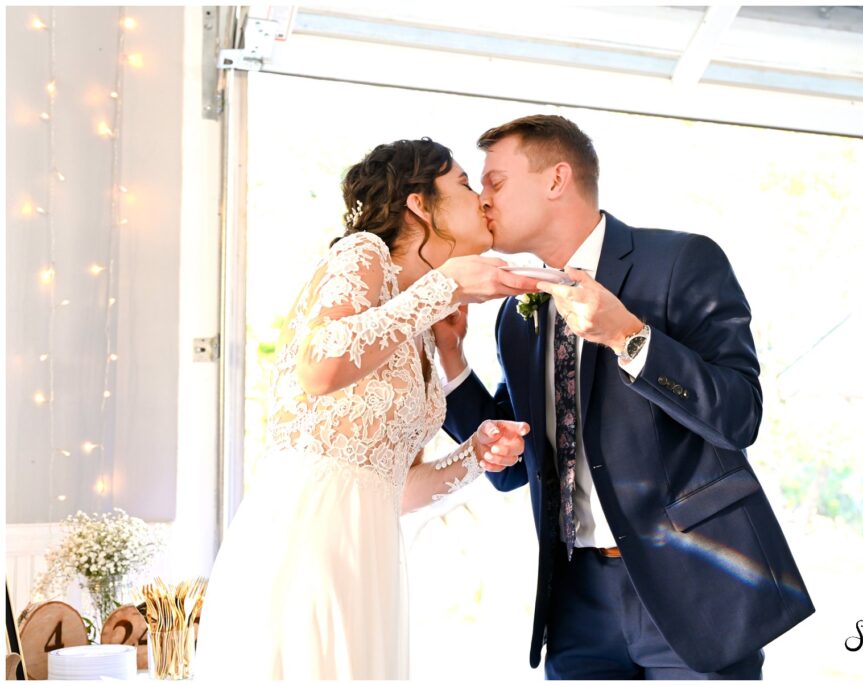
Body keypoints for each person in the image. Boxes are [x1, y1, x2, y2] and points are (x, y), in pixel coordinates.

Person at [436, 115, 815, 679]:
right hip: (573, 599)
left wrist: (628, 337)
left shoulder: (682, 261)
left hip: (694, 588)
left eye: (495, 182)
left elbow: (740, 415)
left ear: (556, 179)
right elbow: (510, 467)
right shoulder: (517, 316)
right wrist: (450, 358)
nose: (483, 200)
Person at [195, 138, 538, 679]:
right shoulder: (364, 255)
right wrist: (443, 286)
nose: (481, 200)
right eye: (465, 184)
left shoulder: (421, 329)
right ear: (419, 204)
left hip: (369, 556)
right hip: (305, 543)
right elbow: (320, 363)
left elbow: (396, 488)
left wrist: (476, 453)